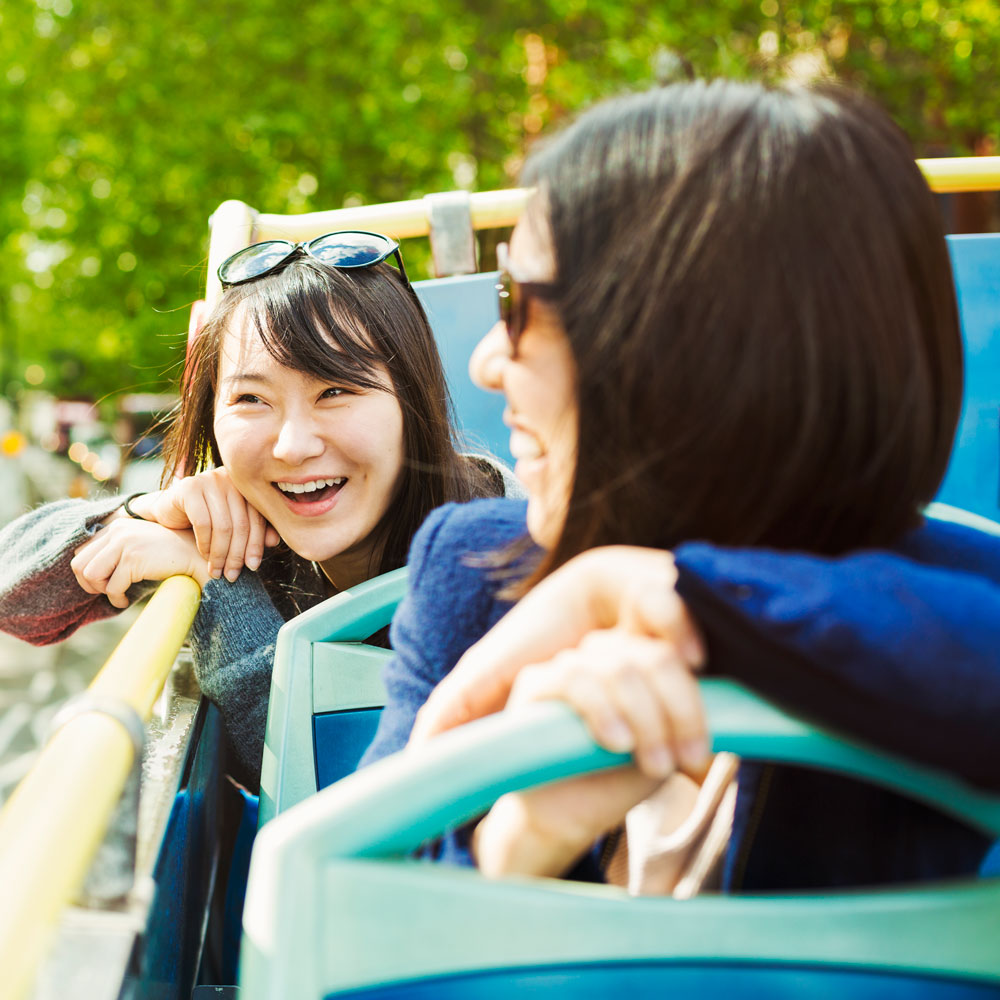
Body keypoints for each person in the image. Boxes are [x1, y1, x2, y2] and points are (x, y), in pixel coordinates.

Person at [360, 81, 1000, 892]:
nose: (486, 361)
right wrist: (520, 840)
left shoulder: (921, 607)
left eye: (515, 302)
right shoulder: (470, 570)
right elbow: (349, 898)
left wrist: (659, 595)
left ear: (690, 349)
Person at [0, 232, 519, 788]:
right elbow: (16, 600)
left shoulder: (495, 540)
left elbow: (336, 793)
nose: (292, 446)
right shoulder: (241, 524)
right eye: (251, 399)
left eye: (336, 390)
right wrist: (146, 511)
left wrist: (215, 585)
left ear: (411, 400)